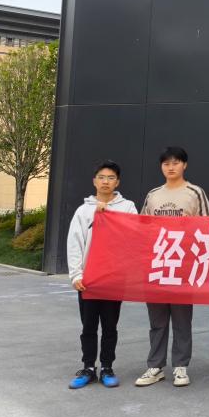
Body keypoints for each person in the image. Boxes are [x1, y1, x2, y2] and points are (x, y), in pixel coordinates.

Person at [135, 146, 209, 389]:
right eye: (166, 163)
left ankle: (181, 367)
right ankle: (155, 366)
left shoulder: (195, 193)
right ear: (161, 167)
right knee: (157, 321)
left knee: (181, 320)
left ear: (184, 165)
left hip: (182, 267)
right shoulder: (153, 195)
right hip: (157, 265)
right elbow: (141, 228)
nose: (171, 167)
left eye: (176, 162)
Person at [66, 160, 138, 389]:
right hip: (89, 279)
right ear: (94, 181)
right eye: (102, 177)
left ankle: (107, 366)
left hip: (113, 279)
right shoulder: (83, 210)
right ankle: (88, 367)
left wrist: (110, 217)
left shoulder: (128, 207)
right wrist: (76, 275)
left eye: (111, 178)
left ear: (117, 182)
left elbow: (133, 236)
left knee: (109, 326)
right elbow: (75, 243)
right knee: (88, 326)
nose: (106, 181)